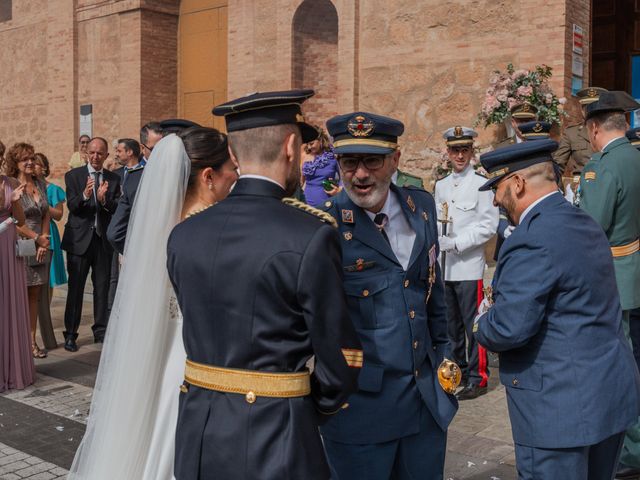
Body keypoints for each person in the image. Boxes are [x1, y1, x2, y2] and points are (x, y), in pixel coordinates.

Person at [165, 90, 361, 480]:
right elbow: (340, 356)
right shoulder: (310, 235)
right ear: (291, 146)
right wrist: (309, 404)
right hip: (277, 431)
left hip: (198, 428)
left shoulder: (184, 234)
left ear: (234, 155)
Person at [69, 127, 239, 480]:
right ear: (208, 177)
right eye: (231, 169)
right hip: (193, 358)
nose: (235, 177)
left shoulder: (164, 227)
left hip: (157, 349)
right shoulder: (208, 236)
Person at [474, 139, 640, 480]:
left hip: (558, 409)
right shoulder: (584, 221)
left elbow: (508, 328)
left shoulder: (530, 237)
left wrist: (482, 320)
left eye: (498, 187)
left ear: (518, 184)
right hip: (608, 395)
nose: (494, 199)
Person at [320, 111, 458, 479]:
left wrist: (445, 365)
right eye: (350, 162)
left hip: (425, 405)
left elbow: (434, 293)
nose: (360, 174)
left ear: (395, 160)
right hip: (361, 413)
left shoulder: (422, 207)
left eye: (372, 161)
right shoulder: (323, 228)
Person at [578, 91, 640, 479]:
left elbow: (590, 229)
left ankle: (631, 450)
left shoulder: (601, 167)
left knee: (621, 365)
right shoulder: (635, 158)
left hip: (614, 277)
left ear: (595, 127)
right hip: (634, 269)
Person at [434, 126, 498, 400]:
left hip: (468, 265)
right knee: (449, 326)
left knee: (473, 325)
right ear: (447, 153)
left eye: (465, 150)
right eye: (455, 150)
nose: (460, 155)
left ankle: (478, 377)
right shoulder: (441, 185)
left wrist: (457, 243)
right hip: (444, 266)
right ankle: (455, 371)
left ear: (472, 152)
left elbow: (489, 225)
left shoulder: (481, 183)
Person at [62, 137, 121, 351]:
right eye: (92, 153)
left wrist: (104, 200)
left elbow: (117, 209)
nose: (96, 157)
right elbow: (72, 206)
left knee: (102, 288)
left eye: (100, 153)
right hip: (79, 241)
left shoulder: (114, 179)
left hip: (102, 241)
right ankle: (70, 334)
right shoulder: (73, 176)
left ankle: (100, 331)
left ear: (106, 155)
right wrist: (86, 195)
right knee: (75, 289)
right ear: (87, 154)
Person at [107, 120, 199, 254]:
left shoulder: (134, 179)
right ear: (143, 148)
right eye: (156, 150)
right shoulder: (135, 179)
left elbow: (114, 234)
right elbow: (115, 233)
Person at [8, 143, 51, 359]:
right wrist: (36, 239)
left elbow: (46, 214)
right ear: (15, 163)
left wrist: (44, 241)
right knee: (19, 295)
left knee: (35, 294)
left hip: (42, 243)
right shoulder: (11, 185)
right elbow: (12, 220)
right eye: (24, 158)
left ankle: (32, 341)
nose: (30, 162)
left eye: (32, 158)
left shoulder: (40, 184)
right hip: (20, 243)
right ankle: (17, 342)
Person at [0, 155, 35, 392]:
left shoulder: (9, 182)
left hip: (8, 246)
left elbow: (20, 219)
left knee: (10, 303)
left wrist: (16, 202)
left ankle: (13, 368)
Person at [33, 153, 60, 350]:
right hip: (31, 236)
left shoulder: (53, 189)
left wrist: (41, 205)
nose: (34, 167)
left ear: (44, 167)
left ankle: (47, 333)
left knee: (47, 283)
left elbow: (58, 214)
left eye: (38, 164)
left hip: (48, 234)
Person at [553, 87, 607, 177]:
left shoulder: (612, 130)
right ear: (582, 110)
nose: (591, 111)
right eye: (587, 107)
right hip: (581, 184)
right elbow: (558, 165)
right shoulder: (572, 133)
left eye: (595, 107)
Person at [301, 126, 340, 207]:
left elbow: (343, 178)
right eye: (307, 144)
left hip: (327, 201)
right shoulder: (304, 155)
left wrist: (338, 190)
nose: (309, 147)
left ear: (321, 140)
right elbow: (301, 182)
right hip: (306, 201)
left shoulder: (333, 155)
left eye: (311, 143)